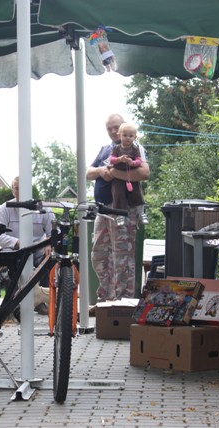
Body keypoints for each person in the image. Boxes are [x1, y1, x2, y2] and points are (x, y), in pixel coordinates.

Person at [86, 113, 150, 303]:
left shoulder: (135, 148)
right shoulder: (106, 150)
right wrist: (101, 171)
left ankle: (123, 303)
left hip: (123, 210)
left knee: (122, 257)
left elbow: (144, 173)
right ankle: (106, 298)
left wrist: (114, 173)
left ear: (124, 128)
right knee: (99, 254)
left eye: (116, 127)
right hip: (103, 209)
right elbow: (88, 173)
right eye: (110, 129)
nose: (114, 132)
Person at [0, 177, 56, 315]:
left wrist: (48, 242)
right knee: (9, 262)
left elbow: (53, 230)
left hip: (38, 249)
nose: (20, 191)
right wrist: (16, 242)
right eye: (17, 188)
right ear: (12, 190)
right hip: (15, 250)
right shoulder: (5, 209)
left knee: (49, 259)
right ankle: (11, 305)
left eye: (23, 188)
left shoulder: (43, 208)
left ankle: (41, 300)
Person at [108, 122, 146, 227]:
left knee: (137, 193)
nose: (128, 138)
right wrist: (119, 159)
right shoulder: (116, 148)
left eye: (130, 136)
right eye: (125, 135)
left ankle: (141, 213)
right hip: (118, 177)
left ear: (135, 137)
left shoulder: (135, 148)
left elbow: (139, 161)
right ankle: (120, 216)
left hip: (131, 175)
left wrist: (132, 163)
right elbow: (111, 159)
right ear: (119, 135)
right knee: (118, 194)